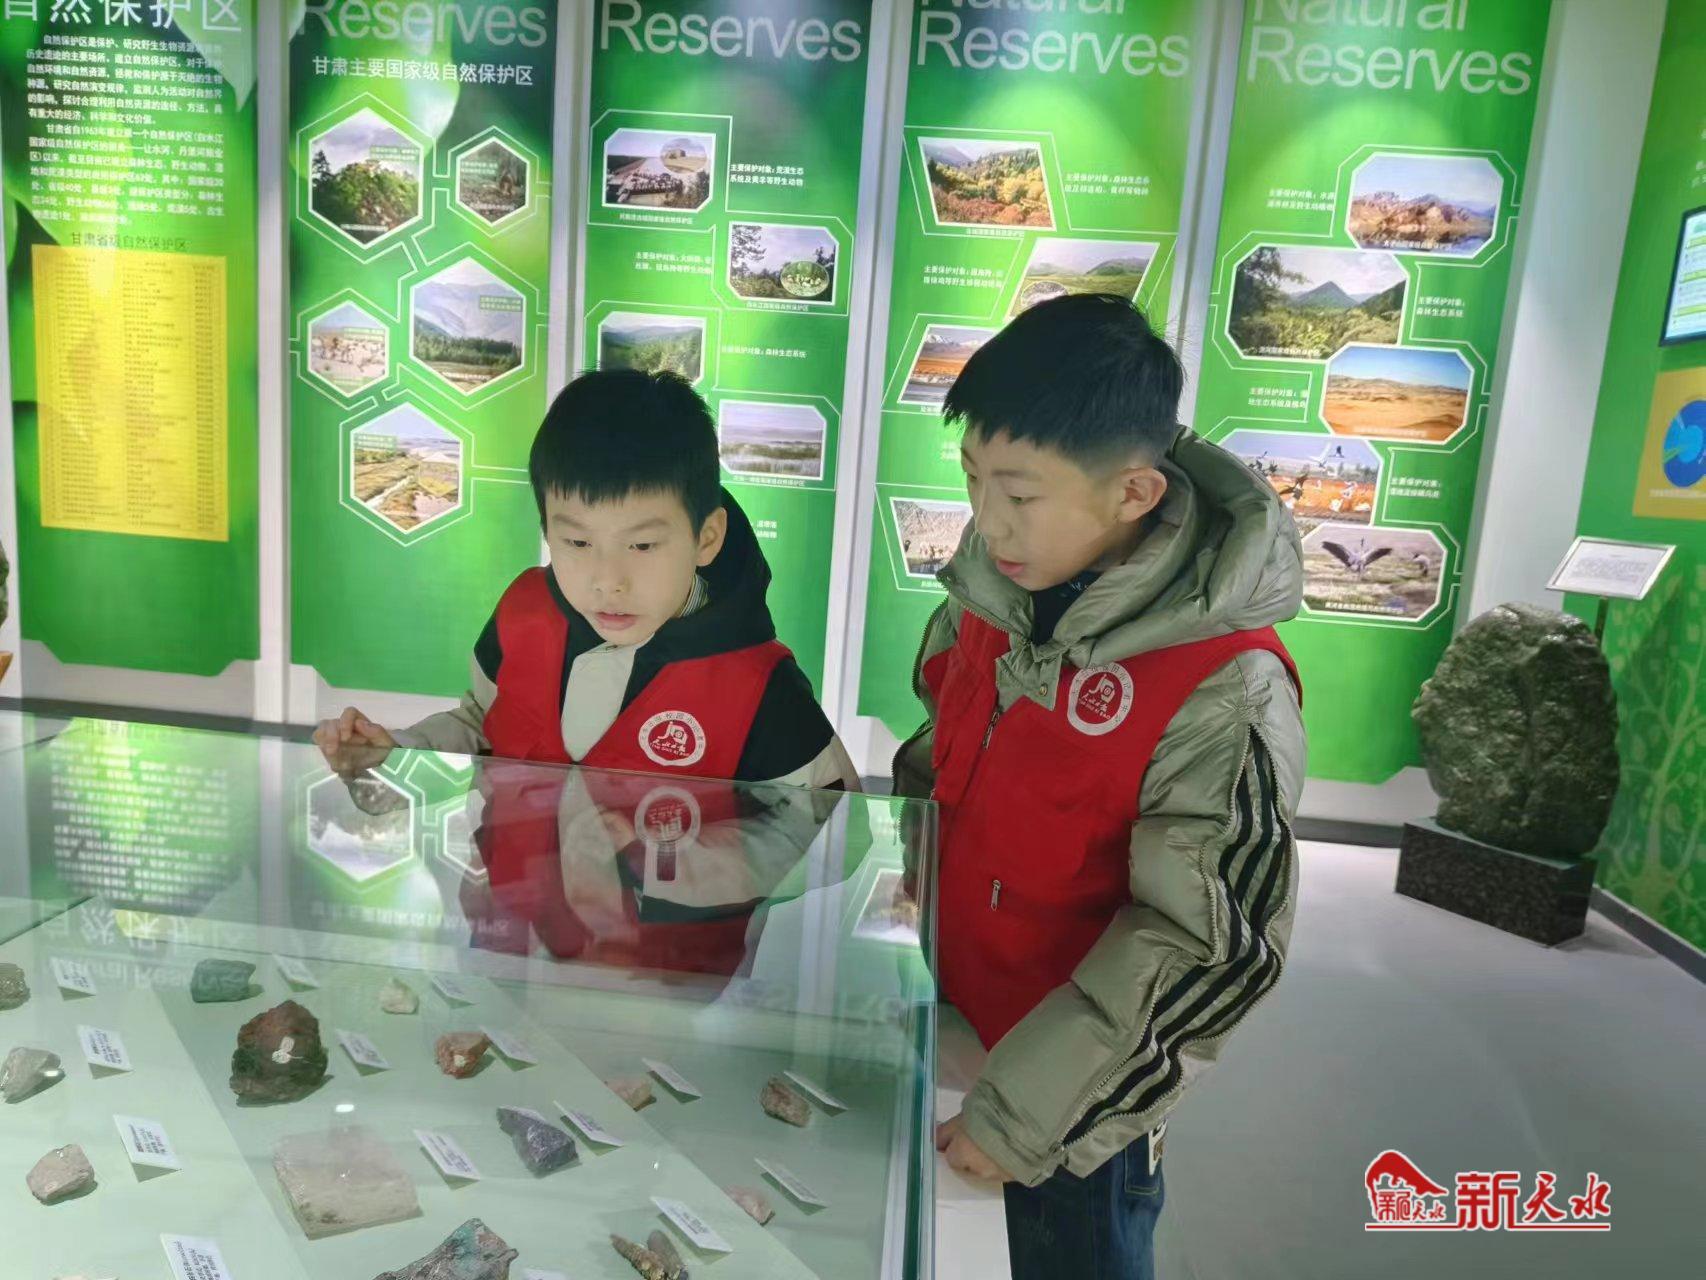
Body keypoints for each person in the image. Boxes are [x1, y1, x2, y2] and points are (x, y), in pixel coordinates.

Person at [893, 293, 1306, 1279]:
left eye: (1019, 493)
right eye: (972, 478)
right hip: (952, 1029)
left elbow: (1210, 945)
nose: (987, 519)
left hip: (1076, 1109)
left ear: (1133, 493)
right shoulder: (997, 593)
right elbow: (939, 742)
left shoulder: (1223, 685)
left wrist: (1029, 1113)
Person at [315, 368, 857, 794]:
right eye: (577, 543)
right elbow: (481, 722)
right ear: (547, 530)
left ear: (706, 538)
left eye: (642, 546)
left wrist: (699, 866)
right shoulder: (523, 613)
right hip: (509, 906)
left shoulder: (761, 688)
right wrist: (397, 754)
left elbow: (834, 830)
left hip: (671, 912)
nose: (607, 581)